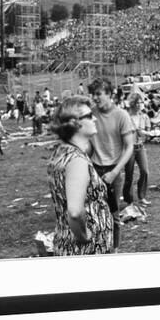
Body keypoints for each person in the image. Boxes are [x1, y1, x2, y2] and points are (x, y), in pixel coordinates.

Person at [47, 96, 113, 255]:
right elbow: (75, 212)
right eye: (89, 116)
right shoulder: (77, 160)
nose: (95, 118)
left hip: (70, 244)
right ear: (75, 123)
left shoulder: (62, 152)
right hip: (86, 250)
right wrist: (84, 236)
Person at [88, 78, 134, 252]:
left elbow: (129, 147)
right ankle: (97, 247)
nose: (96, 98)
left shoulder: (121, 115)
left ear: (110, 94)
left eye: (99, 94)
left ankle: (114, 251)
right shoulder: (90, 115)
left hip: (113, 171)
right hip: (93, 169)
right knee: (93, 212)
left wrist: (115, 172)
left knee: (113, 215)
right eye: (93, 94)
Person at [123, 93, 152, 207]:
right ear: (133, 104)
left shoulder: (143, 116)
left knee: (145, 171)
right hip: (129, 149)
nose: (141, 105)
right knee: (129, 175)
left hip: (140, 147)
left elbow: (145, 132)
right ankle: (129, 200)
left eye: (142, 102)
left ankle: (142, 196)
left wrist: (147, 133)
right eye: (139, 102)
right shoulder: (125, 117)